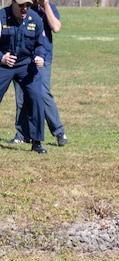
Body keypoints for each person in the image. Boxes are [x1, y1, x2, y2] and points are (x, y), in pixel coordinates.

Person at [13, 0, 65, 147]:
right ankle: (22, 134)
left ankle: (59, 131)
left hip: (42, 57)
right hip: (22, 57)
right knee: (21, 97)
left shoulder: (48, 8)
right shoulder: (22, 7)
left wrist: (46, 6)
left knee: (42, 94)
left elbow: (56, 27)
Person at [0, 0, 49, 155]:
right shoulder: (1, 17)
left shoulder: (35, 19)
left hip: (26, 64)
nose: (25, 9)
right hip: (4, 64)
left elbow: (40, 44)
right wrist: (1, 57)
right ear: (13, 3)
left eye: (28, 5)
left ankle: (36, 142)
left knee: (36, 98)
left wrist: (40, 56)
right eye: (21, 5)